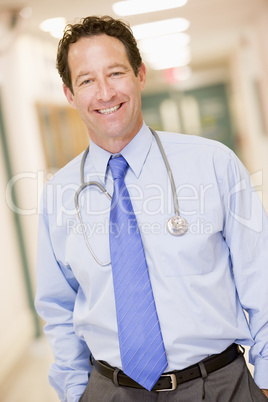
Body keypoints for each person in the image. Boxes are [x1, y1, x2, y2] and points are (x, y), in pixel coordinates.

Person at [35, 15, 268, 402]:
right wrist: (76, 391)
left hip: (219, 385)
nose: (105, 92)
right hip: (110, 390)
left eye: (115, 73)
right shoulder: (59, 195)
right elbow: (58, 308)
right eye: (87, 80)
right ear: (70, 94)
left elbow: (261, 276)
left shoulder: (213, 164)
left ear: (140, 74)